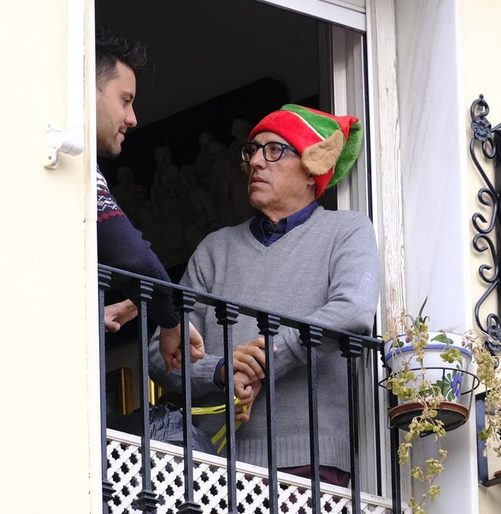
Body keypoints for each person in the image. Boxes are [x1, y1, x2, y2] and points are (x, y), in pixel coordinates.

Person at [170, 104, 380, 486]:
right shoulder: (215, 249)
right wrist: (222, 371)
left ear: (311, 168)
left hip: (310, 463)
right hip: (212, 469)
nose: (255, 162)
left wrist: (269, 357)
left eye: (274, 150)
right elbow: (161, 352)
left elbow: (354, 310)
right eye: (252, 151)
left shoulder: (347, 230)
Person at [92, 29, 203, 369]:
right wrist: (171, 319)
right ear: (86, 89)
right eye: (125, 100)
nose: (133, 118)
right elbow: (132, 255)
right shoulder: (75, 164)